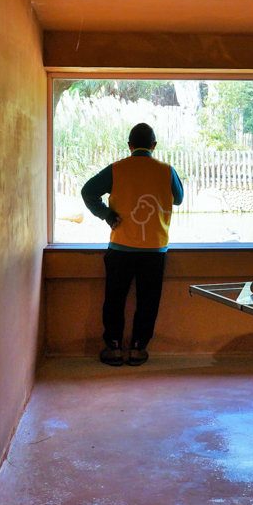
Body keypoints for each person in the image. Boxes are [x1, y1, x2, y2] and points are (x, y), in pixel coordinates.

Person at [81, 123, 183, 366]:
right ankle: (138, 348)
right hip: (155, 249)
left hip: (121, 247)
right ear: (154, 146)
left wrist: (106, 214)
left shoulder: (117, 169)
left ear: (129, 145)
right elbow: (178, 199)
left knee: (114, 298)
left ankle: (114, 347)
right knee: (148, 300)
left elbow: (88, 191)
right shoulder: (167, 170)